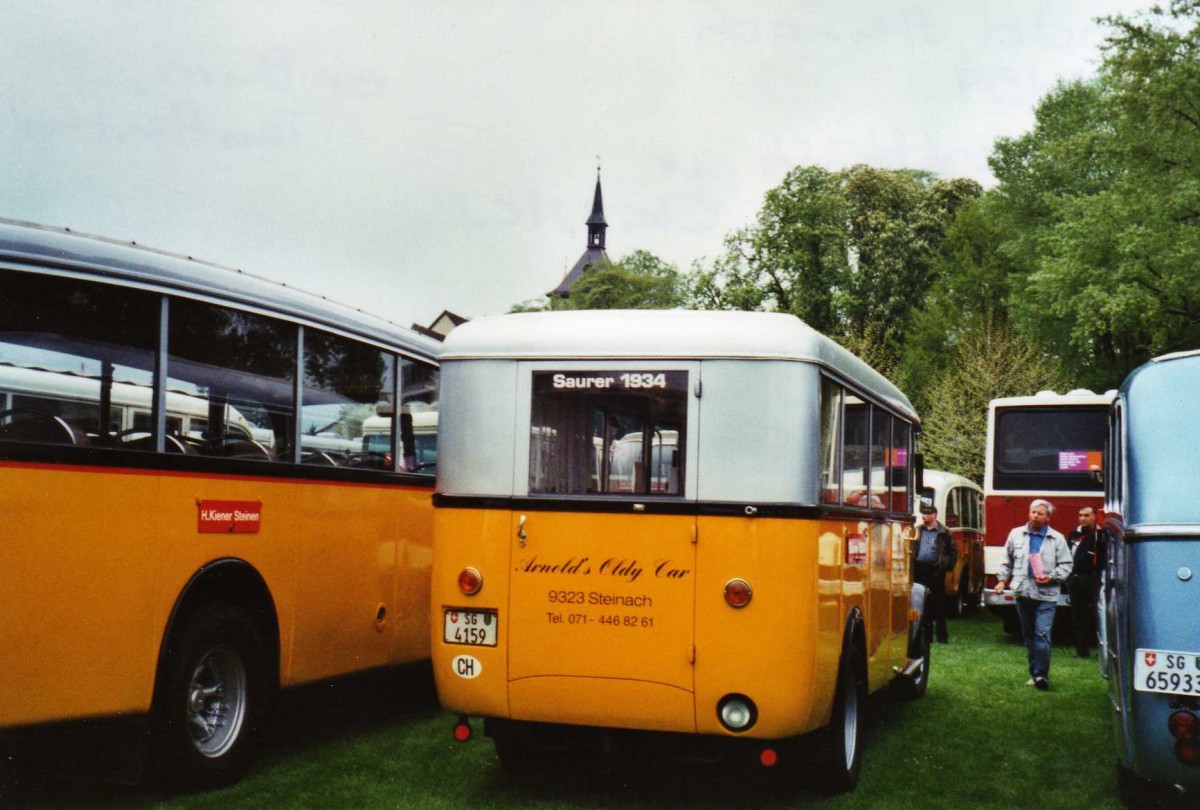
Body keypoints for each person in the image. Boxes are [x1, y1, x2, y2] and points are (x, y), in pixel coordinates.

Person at [994, 499, 1073, 690]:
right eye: (1033, 512)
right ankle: (1034, 672)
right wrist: (1002, 580)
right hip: (1023, 592)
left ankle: (1041, 676)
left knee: (1042, 634)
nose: (1035, 516)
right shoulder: (1016, 534)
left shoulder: (1057, 539)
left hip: (1047, 595)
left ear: (1048, 517)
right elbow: (1007, 560)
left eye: (1040, 513)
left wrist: (1052, 577)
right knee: (1029, 636)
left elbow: (1067, 564)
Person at [913, 505, 958, 644]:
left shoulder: (945, 532)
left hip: (936, 571)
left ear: (934, 515)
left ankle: (942, 637)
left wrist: (945, 567)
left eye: (926, 514)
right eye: (923, 514)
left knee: (938, 604)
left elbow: (953, 552)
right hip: (920, 570)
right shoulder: (918, 530)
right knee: (920, 602)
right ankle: (924, 635)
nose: (923, 516)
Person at [1066, 506, 1106, 659]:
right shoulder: (1073, 534)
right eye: (1080, 515)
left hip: (1093, 578)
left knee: (1096, 614)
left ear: (1094, 517)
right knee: (1078, 615)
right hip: (1075, 578)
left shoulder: (1100, 534)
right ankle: (1082, 651)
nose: (1082, 518)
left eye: (1086, 515)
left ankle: (1101, 649)